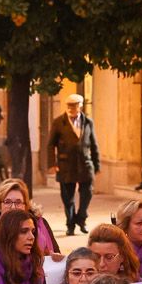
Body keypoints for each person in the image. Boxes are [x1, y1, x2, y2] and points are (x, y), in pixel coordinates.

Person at [46, 93, 99, 236]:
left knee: (87, 194)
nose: (71, 108)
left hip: (85, 164)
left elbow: (94, 144)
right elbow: (50, 144)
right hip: (65, 165)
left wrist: (97, 165)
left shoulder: (88, 122)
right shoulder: (58, 122)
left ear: (80, 106)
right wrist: (52, 163)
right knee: (67, 197)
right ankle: (70, 224)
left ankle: (81, 219)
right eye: (69, 105)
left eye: (74, 106)